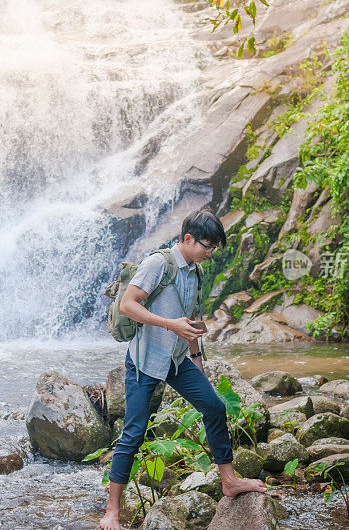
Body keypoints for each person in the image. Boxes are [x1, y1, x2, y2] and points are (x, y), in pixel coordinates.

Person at [99, 208, 267, 530]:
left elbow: (191, 326)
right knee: (133, 433)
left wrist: (199, 367)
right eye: (207, 246)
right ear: (187, 239)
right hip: (145, 362)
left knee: (215, 406)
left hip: (177, 361)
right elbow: (127, 305)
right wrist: (169, 324)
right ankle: (112, 512)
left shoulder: (197, 272)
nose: (210, 253)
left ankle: (229, 481)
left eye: (214, 248)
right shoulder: (157, 264)